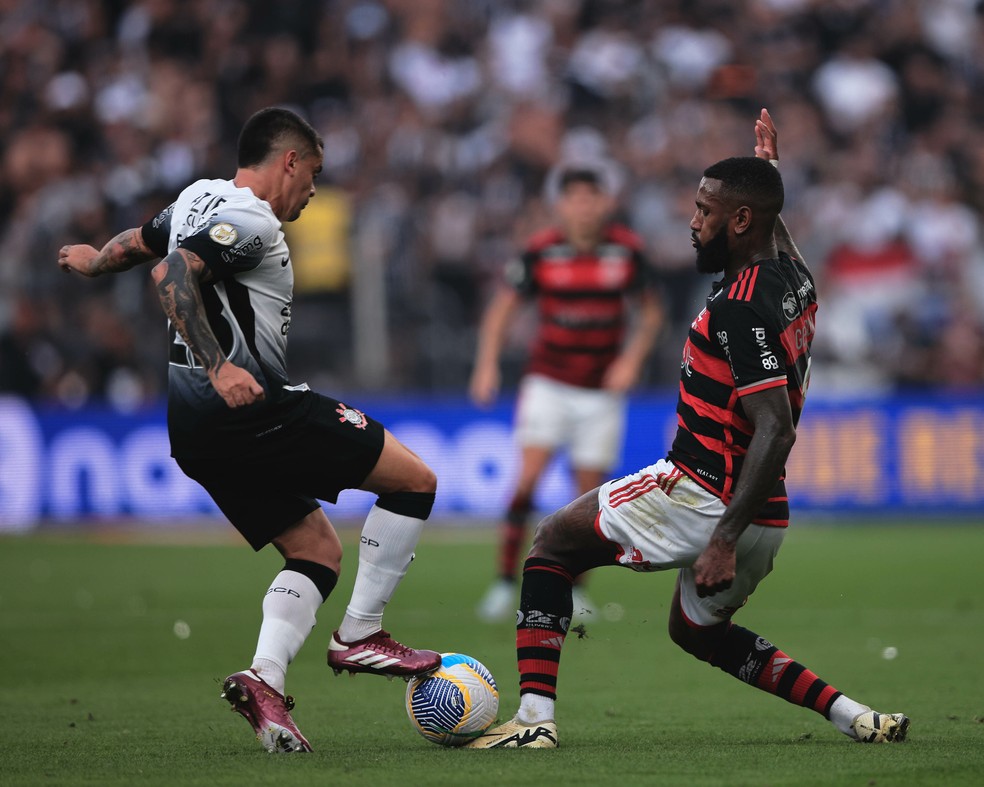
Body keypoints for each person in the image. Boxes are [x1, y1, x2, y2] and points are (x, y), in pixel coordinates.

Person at [467, 109, 909, 749]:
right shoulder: (795, 276)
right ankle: (851, 714)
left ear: (740, 222)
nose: (693, 222)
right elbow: (772, 226)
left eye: (705, 211)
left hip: (705, 493)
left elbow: (775, 428)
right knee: (694, 631)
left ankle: (534, 723)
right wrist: (768, 173)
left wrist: (722, 537)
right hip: (768, 515)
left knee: (552, 545)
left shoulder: (738, 311)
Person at [57, 107, 441, 753]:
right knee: (415, 481)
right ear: (287, 161)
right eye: (312, 173)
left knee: (317, 550)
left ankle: (264, 678)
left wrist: (97, 260)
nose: (314, 190)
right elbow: (170, 272)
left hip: (194, 431)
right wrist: (219, 364)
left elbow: (147, 242)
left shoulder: (197, 198)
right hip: (251, 409)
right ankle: (360, 634)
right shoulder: (255, 220)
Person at [470, 161, 664, 623]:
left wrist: (630, 359)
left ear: (604, 203)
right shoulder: (541, 252)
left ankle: (576, 592)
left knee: (588, 498)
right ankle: (502, 583)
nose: (582, 207)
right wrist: (486, 365)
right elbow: (502, 310)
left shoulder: (626, 251)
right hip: (549, 383)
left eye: (590, 198)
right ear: (560, 205)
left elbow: (652, 313)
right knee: (526, 483)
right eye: (573, 198)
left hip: (601, 391)